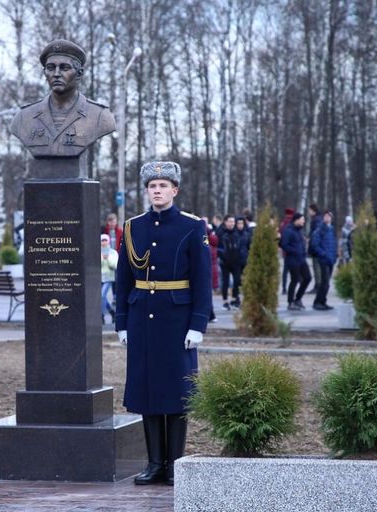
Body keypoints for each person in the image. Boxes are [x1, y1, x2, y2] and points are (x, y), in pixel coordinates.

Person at [115, 161, 212, 486]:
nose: (156, 191)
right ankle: (155, 463)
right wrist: (122, 323)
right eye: (151, 186)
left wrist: (198, 324)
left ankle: (174, 465)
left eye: (162, 186)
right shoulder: (133, 227)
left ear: (175, 190)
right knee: (148, 392)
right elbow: (123, 279)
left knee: (177, 392)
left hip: (177, 321)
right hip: (142, 319)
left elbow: (202, 280)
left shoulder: (192, 226)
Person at [9, 40, 116, 166]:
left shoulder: (100, 116)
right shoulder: (23, 118)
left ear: (79, 73)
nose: (56, 74)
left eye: (64, 68)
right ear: (45, 73)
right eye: (51, 68)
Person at [281, 212, 311, 310]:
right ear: (296, 220)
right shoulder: (288, 231)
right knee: (294, 280)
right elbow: (283, 245)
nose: (303, 221)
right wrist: (295, 251)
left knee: (307, 278)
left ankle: (298, 298)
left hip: (301, 259)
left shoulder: (299, 231)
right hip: (292, 260)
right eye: (302, 219)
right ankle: (290, 302)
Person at [217, 215, 246, 309]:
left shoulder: (237, 233)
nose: (232, 223)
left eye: (233, 221)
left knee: (237, 281)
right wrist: (223, 255)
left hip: (236, 262)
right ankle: (225, 301)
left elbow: (241, 246)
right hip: (225, 262)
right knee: (225, 282)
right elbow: (217, 247)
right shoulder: (220, 232)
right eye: (230, 221)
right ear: (225, 222)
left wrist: (241, 257)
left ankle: (234, 299)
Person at [310, 211, 337, 310]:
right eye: (325, 216)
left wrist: (334, 256)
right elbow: (315, 244)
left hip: (331, 259)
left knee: (326, 283)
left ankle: (323, 301)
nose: (326, 217)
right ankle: (318, 302)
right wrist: (323, 254)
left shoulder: (331, 229)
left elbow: (334, 244)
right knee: (324, 283)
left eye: (328, 216)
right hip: (324, 259)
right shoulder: (320, 229)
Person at [100, 233, 118, 323]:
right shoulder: (98, 252)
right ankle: (112, 312)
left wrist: (107, 259)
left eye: (105, 240)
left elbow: (115, 265)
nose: (103, 242)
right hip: (99, 277)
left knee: (102, 295)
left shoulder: (113, 252)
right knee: (102, 297)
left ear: (108, 241)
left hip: (108, 277)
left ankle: (102, 315)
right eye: (102, 240)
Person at [307, 204, 323, 293]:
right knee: (317, 266)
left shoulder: (316, 220)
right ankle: (318, 284)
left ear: (313, 210)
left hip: (316, 247)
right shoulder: (318, 219)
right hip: (317, 246)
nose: (309, 212)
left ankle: (318, 285)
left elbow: (315, 232)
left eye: (309, 210)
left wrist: (310, 239)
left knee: (317, 267)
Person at [279, 208, 294, 292]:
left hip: (285, 251)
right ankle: (293, 286)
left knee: (285, 270)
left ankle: (284, 288)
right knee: (294, 270)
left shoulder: (283, 224)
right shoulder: (293, 223)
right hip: (293, 250)